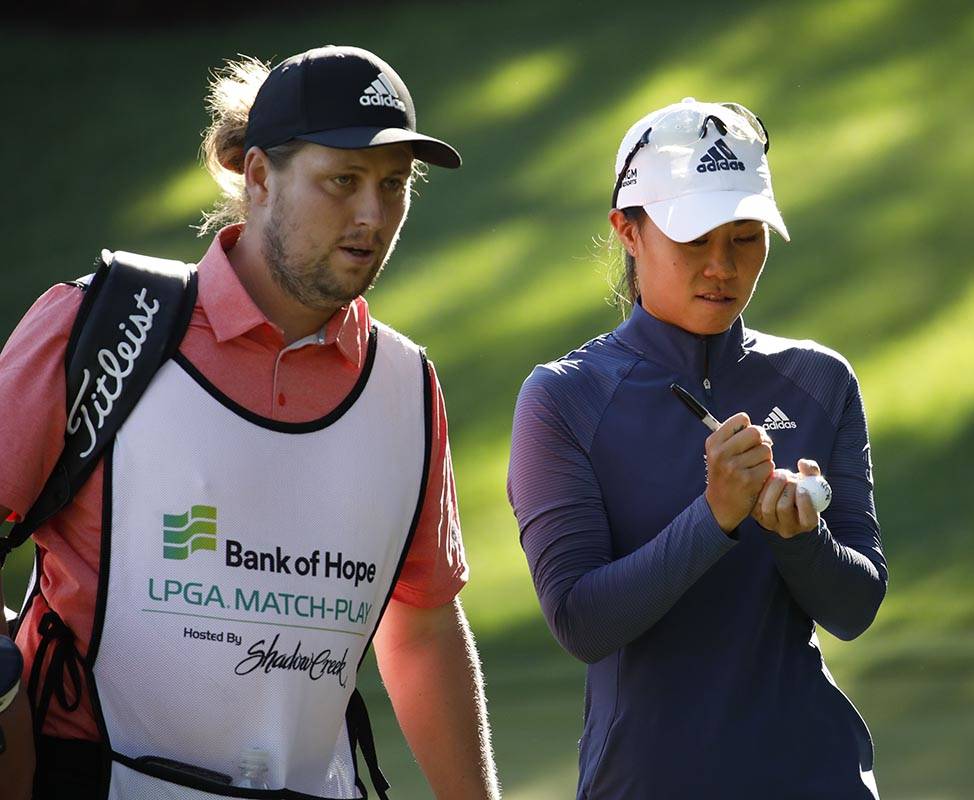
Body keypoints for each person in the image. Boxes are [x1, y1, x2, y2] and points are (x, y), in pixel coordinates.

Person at [0, 45, 499, 799]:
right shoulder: (99, 326)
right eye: (343, 181)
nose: (374, 214)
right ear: (260, 177)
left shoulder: (404, 383)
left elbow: (422, 629)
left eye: (394, 185)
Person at [508, 98, 888, 798]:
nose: (723, 266)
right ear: (628, 231)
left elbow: (854, 607)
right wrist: (714, 516)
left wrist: (801, 539)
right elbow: (580, 621)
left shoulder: (818, 380)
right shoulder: (563, 398)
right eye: (695, 239)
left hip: (819, 779)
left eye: (746, 237)